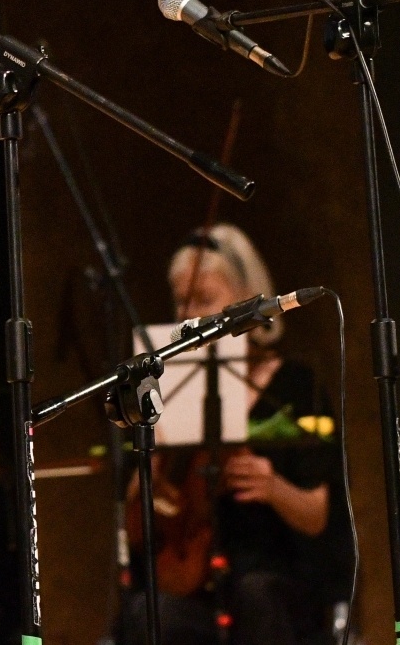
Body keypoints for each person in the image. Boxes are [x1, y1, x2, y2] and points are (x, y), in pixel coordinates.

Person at [119, 223, 347, 645]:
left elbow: (319, 515)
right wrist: (148, 465)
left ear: (246, 299)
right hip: (194, 581)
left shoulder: (294, 385)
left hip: (277, 582)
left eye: (204, 300)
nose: (189, 316)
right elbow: (135, 523)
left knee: (257, 595)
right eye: (180, 302)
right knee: (149, 614)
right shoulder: (166, 384)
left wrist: (273, 487)